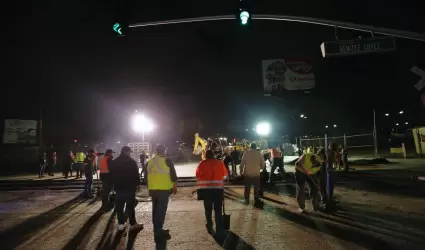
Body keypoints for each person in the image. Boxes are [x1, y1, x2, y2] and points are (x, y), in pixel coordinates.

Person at [144, 145, 177, 242]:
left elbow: (145, 176)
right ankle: (158, 232)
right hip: (164, 189)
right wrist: (174, 186)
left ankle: (157, 229)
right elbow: (173, 174)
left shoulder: (150, 161)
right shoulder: (167, 160)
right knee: (161, 210)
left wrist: (149, 186)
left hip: (153, 189)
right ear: (164, 151)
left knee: (155, 209)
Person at [109, 146, 143, 232]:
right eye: (130, 152)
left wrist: (113, 186)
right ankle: (132, 224)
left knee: (119, 207)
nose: (130, 154)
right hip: (129, 188)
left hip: (118, 188)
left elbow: (111, 175)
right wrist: (138, 185)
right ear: (127, 152)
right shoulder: (131, 162)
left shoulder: (114, 162)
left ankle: (121, 225)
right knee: (130, 206)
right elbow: (136, 174)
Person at [196, 149, 228, 239]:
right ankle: (220, 231)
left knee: (208, 209)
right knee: (218, 210)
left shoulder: (201, 164)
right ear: (213, 155)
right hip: (217, 190)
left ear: (206, 155)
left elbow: (197, 175)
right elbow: (225, 175)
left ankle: (210, 226)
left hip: (205, 190)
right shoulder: (219, 163)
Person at [239, 143, 265, 207]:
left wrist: (241, 171)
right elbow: (263, 164)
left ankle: (247, 200)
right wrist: (261, 168)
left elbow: (242, 163)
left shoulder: (246, 153)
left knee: (247, 187)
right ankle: (256, 199)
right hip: (256, 173)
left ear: (250, 147)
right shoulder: (259, 153)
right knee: (256, 188)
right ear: (256, 147)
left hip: (248, 173)